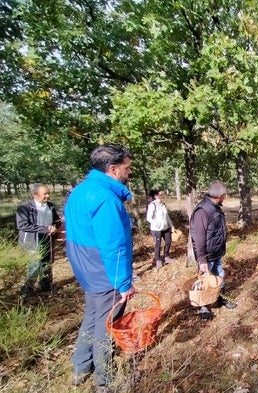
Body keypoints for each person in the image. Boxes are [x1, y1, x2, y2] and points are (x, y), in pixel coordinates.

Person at [64, 144, 136, 392]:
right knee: (107, 323)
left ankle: (80, 368)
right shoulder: (105, 199)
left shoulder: (81, 191)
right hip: (103, 271)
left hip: (86, 268)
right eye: (127, 167)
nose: (130, 171)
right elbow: (113, 246)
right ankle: (104, 380)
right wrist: (124, 283)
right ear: (113, 169)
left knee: (93, 317)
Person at [190, 180, 237, 317]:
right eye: (225, 194)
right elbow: (198, 237)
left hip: (216, 252)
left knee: (219, 276)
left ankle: (219, 297)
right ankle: (203, 306)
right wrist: (202, 259)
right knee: (205, 280)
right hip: (207, 255)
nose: (225, 197)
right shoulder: (202, 211)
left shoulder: (215, 207)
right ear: (220, 195)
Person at [16, 184, 61, 297]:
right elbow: (22, 225)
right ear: (35, 195)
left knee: (47, 263)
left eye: (48, 193)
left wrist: (55, 226)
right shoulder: (25, 207)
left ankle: (46, 286)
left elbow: (57, 220)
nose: (47, 196)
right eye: (44, 194)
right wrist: (45, 229)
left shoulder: (50, 206)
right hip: (32, 240)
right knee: (34, 265)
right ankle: (27, 289)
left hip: (47, 238)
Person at [146, 189, 175, 268]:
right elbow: (148, 218)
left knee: (168, 242)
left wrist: (171, 226)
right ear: (156, 196)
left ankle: (166, 257)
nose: (162, 196)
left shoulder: (163, 205)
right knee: (158, 245)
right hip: (156, 229)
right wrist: (156, 223)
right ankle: (158, 260)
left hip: (165, 228)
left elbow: (167, 217)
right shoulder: (153, 205)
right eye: (161, 195)